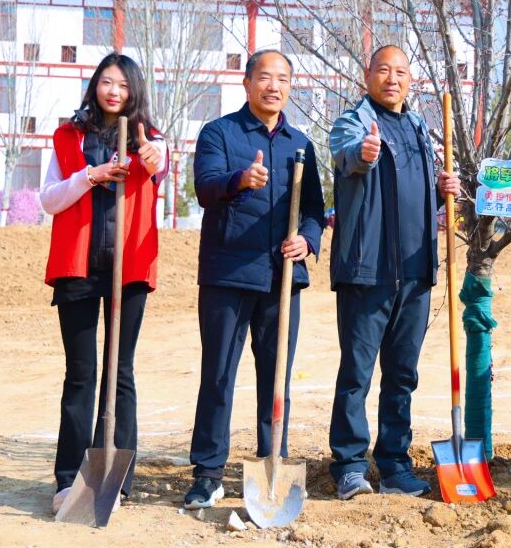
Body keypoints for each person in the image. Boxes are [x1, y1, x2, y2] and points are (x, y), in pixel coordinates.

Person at [184, 50, 325, 509]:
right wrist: (240, 179)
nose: (273, 86)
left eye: (282, 78)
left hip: (282, 278)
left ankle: (272, 463)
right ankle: (208, 473)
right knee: (218, 375)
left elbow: (314, 210)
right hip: (228, 273)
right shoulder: (219, 133)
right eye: (265, 77)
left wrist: (307, 240)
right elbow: (205, 188)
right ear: (247, 83)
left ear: (290, 87)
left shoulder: (301, 144)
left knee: (276, 377)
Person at [326, 44, 459, 499]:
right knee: (357, 373)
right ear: (367, 75)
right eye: (383, 70)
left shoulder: (419, 127)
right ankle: (349, 465)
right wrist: (364, 154)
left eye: (401, 72)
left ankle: (395, 464)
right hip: (368, 271)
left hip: (416, 271)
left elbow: (413, 190)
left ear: (410, 80)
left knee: (403, 374)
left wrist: (440, 187)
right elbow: (347, 157)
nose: (392, 79)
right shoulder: (353, 123)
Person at [41, 53, 167, 514]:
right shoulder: (68, 137)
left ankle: (115, 478)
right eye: (107, 82)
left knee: (121, 372)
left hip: (128, 270)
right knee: (80, 373)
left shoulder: (151, 140)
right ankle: (68, 479)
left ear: (135, 92)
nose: (114, 91)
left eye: (123, 85)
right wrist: (89, 176)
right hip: (76, 266)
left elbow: (159, 168)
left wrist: (151, 158)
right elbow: (49, 200)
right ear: (95, 86)